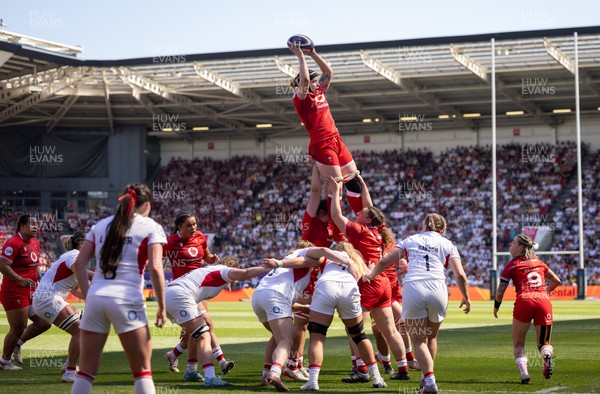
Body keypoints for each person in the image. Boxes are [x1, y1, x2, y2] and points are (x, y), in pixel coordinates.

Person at [70, 184, 167, 394]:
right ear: (147, 205)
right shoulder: (150, 226)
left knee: (85, 372)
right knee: (142, 372)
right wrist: (162, 306)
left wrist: (89, 296)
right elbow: (156, 268)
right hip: (126, 298)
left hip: (97, 297)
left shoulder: (100, 225)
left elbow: (78, 264)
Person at [366, 213, 471, 394]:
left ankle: (429, 380)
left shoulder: (410, 240)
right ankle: (425, 377)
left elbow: (384, 261)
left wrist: (371, 275)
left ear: (424, 226)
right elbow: (460, 275)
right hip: (438, 288)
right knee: (431, 337)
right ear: (442, 229)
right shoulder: (447, 244)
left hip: (414, 288)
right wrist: (466, 297)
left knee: (418, 340)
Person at [265, 242, 387, 391]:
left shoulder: (327, 256)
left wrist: (281, 262)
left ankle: (313, 381)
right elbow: (366, 276)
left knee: (317, 337)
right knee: (359, 335)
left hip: (326, 286)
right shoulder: (357, 261)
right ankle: (376, 377)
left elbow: (307, 262)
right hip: (349, 288)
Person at [326, 175, 410, 383]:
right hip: (384, 283)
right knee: (390, 330)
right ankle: (402, 369)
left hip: (368, 281)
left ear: (368, 219)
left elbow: (336, 215)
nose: (358, 212)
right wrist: (363, 186)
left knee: (353, 328)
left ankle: (361, 370)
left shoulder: (360, 230)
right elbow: (370, 208)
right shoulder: (380, 232)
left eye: (361, 213)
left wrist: (336, 190)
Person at [253, 241, 354, 392]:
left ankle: (265, 374)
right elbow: (321, 250)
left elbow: (280, 297)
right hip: (275, 296)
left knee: (277, 336)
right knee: (285, 340)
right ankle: (275, 372)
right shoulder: (302, 254)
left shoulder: (290, 261)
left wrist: (300, 307)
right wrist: (347, 261)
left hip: (258, 296)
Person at [165, 255, 270, 387]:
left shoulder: (211, 270)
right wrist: (271, 267)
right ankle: (211, 378)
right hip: (179, 295)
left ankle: (187, 367)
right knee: (204, 335)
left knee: (198, 333)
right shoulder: (224, 270)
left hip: (171, 294)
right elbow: (246, 273)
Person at [288, 40, 364, 215]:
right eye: (316, 81)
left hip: (336, 140)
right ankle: (337, 230)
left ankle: (362, 220)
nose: (318, 83)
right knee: (335, 186)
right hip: (322, 145)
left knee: (354, 181)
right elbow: (305, 80)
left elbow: (328, 72)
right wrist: (300, 57)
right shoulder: (301, 99)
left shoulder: (320, 93)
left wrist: (312, 53)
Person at [284, 165, 345, 382]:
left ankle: (296, 363)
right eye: (330, 212)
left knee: (308, 322)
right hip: (307, 274)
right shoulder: (310, 221)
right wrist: (316, 166)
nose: (336, 214)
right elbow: (315, 192)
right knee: (300, 322)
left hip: (321, 277)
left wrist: (335, 183)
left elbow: (331, 197)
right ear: (320, 213)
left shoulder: (333, 225)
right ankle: (292, 364)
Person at [162, 211, 234, 381]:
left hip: (200, 288)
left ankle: (182, 361)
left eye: (194, 224)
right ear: (179, 227)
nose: (193, 228)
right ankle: (221, 361)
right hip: (182, 291)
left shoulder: (200, 237)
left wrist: (213, 259)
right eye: (189, 225)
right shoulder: (171, 242)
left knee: (195, 332)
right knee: (205, 325)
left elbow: (207, 257)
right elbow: (154, 258)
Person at [493, 234, 561, 384]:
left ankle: (524, 374)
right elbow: (557, 280)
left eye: (513, 243)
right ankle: (547, 356)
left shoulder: (512, 265)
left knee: (518, 344)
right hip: (543, 301)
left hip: (524, 301)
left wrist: (496, 306)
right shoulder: (539, 262)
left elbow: (500, 291)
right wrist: (545, 292)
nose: (510, 244)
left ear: (521, 247)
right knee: (544, 343)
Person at [32, 231, 93, 382]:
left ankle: (68, 365)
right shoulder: (74, 255)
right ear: (81, 243)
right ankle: (70, 372)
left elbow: (75, 289)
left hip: (50, 298)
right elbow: (81, 272)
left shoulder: (75, 257)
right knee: (79, 331)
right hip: (48, 298)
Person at [0, 214, 52, 371]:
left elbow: (34, 263)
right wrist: (18, 279)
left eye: (37, 224)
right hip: (14, 291)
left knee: (45, 322)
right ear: (22, 225)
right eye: (33, 224)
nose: (36, 227)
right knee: (18, 327)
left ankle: (17, 344)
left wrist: (40, 277)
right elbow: (2, 265)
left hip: (32, 291)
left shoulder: (35, 243)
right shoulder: (13, 243)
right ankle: (4, 362)